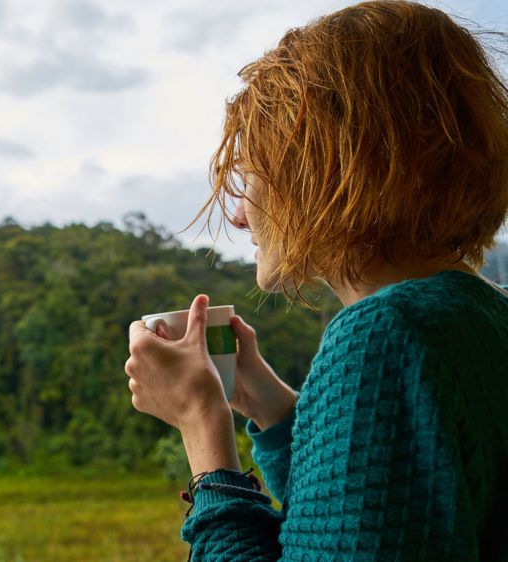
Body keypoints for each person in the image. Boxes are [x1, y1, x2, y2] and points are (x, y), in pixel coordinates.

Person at [124, 1, 508, 560]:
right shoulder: (480, 318)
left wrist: (202, 426)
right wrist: (270, 407)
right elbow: (365, 516)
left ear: (324, 170)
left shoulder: (383, 334)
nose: (237, 217)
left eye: (251, 179)